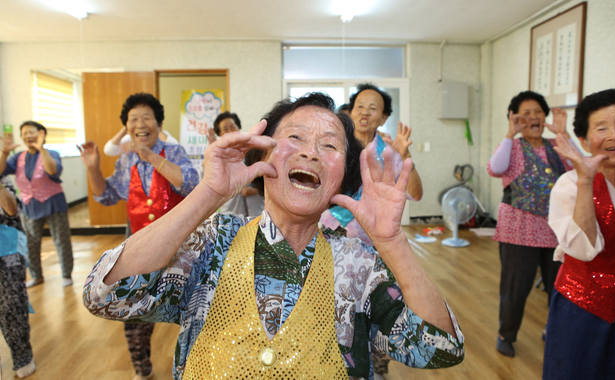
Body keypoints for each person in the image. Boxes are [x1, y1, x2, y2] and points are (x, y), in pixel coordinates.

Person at [83, 93, 464, 379]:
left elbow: (441, 349)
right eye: (295, 138)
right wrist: (210, 193)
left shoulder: (359, 265)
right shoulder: (212, 243)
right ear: (263, 156)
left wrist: (392, 240)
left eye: (329, 145)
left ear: (342, 178)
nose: (311, 153)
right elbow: (106, 294)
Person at [78, 93, 199, 380]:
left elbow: (191, 183)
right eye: (133, 119)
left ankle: (194, 369)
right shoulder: (124, 161)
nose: (140, 123)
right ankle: (143, 372)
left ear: (158, 123)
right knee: (132, 313)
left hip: (182, 248)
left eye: (147, 117)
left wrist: (151, 156)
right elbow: (106, 196)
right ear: (127, 127)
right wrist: (94, 167)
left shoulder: (174, 151)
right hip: (141, 247)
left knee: (193, 313)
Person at [544, 89, 615, 379]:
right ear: (584, 141)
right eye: (601, 128)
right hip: (584, 311)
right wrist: (587, 181)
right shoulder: (569, 184)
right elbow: (583, 250)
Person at [487, 91, 572, 357]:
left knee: (560, 288)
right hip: (519, 229)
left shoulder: (556, 144)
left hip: (557, 229)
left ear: (545, 116)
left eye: (538, 111)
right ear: (515, 118)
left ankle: (554, 329)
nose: (533, 117)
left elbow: (581, 167)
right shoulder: (512, 146)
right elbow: (495, 168)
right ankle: (506, 334)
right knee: (515, 288)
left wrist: (563, 134)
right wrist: (509, 135)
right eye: (525, 112)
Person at [320, 83, 423, 246]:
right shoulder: (332, 145)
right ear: (351, 112)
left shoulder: (389, 151)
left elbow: (415, 194)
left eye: (373, 108)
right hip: (331, 229)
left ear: (384, 118)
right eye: (359, 106)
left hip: (375, 235)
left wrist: (406, 156)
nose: (365, 112)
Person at [0, 121, 73, 288]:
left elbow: (52, 170)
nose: (27, 136)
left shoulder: (52, 153)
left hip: (53, 203)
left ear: (41, 134)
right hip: (29, 205)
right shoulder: (18, 157)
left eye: (31, 132)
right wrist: (4, 152)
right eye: (24, 133)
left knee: (61, 240)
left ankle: (66, 274)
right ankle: (36, 276)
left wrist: (41, 149)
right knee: (31, 243)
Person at [0, 175, 36, 378]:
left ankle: (22, 356)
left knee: (12, 305)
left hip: (6, 245)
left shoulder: (2, 177)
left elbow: (11, 210)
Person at [213, 111, 264, 217]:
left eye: (233, 126)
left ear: (238, 127)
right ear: (220, 134)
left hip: (257, 211)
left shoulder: (253, 149)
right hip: (231, 214)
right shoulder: (217, 156)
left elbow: (267, 177)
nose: (230, 131)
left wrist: (255, 189)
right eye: (225, 129)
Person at [103, 125, 179, 157]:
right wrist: (125, 129)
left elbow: (177, 149)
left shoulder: (161, 136)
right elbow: (109, 151)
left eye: (146, 118)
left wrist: (158, 130)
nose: (141, 125)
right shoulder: (130, 138)